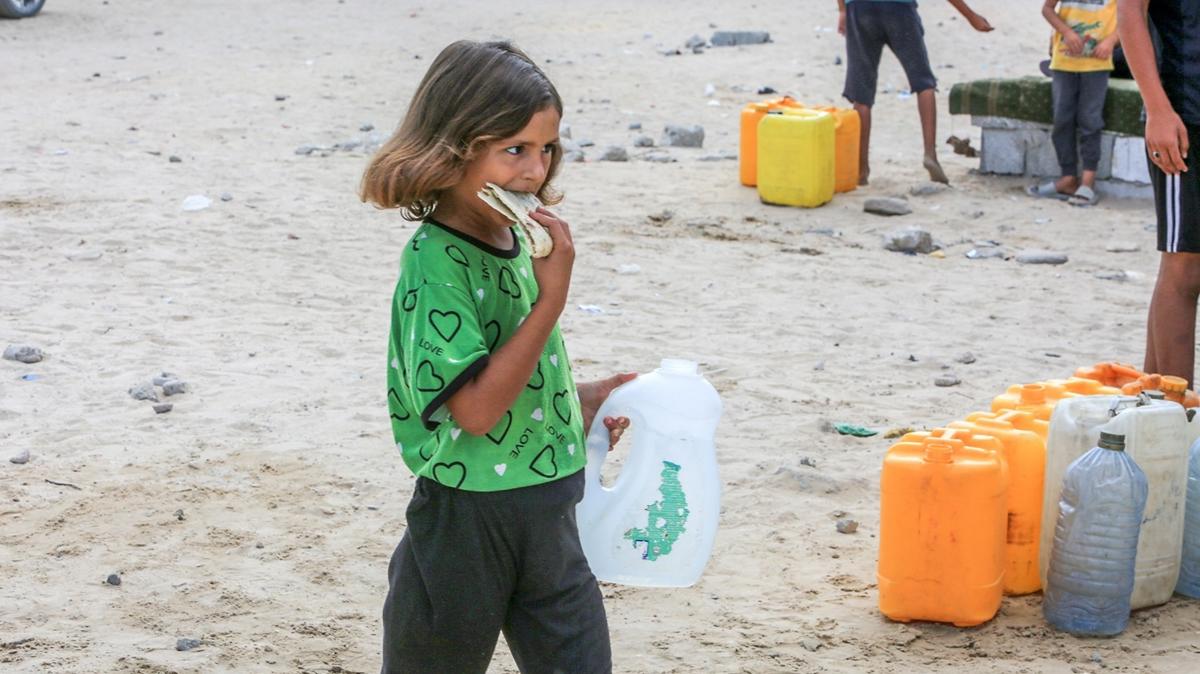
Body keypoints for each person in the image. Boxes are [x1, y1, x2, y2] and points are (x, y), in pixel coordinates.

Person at [360, 39, 633, 673]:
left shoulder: (515, 239)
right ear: (453, 148)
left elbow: (514, 367)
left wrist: (574, 403)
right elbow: (477, 411)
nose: (535, 171)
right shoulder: (436, 261)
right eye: (514, 150)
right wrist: (551, 300)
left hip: (548, 508)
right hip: (466, 519)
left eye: (547, 149)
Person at [1118, 0, 1200, 386]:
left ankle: (1152, 402)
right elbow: (1130, 11)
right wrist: (1157, 109)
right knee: (1184, 266)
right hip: (1184, 118)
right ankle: (1172, 412)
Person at [837, 0, 994, 186]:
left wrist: (843, 10)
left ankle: (861, 170)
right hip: (899, 8)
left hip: (859, 8)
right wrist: (971, 16)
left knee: (861, 95)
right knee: (923, 82)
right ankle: (930, 155)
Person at [1027, 0, 1121, 206]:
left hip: (1097, 63)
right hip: (1063, 61)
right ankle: (1068, 177)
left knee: (1090, 120)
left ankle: (1088, 183)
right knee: (1062, 119)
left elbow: (1131, 19)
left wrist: (1111, 41)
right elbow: (1048, 9)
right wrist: (1067, 33)